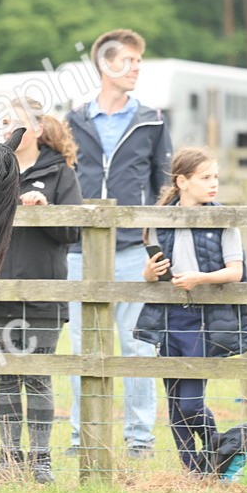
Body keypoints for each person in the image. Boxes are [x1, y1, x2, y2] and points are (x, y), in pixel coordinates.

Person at [64, 28, 174, 458]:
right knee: (82, 347)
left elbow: (163, 188)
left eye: (139, 62)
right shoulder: (73, 120)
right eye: (128, 61)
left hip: (132, 252)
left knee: (138, 348)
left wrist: (158, 245)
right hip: (79, 252)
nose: (136, 69)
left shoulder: (152, 120)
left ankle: (140, 441)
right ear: (105, 65)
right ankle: (81, 439)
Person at [0, 99, 82, 484]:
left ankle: (41, 461)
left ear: (36, 129)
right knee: (5, 377)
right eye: (4, 122)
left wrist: (45, 208)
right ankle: (9, 459)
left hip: (43, 292)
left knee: (37, 377)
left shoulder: (60, 173)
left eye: (16, 122)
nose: (8, 128)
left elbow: (73, 231)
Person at [134, 146, 247, 475]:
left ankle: (215, 448)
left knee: (190, 403)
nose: (213, 184)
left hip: (205, 319)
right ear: (182, 181)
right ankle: (193, 470)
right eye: (205, 178)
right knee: (174, 403)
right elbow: (155, 271)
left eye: (216, 177)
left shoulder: (225, 220)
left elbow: (236, 271)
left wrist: (201, 278)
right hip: (169, 317)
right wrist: (149, 274)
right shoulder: (160, 220)